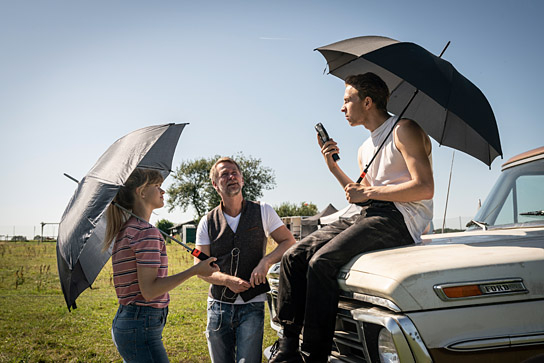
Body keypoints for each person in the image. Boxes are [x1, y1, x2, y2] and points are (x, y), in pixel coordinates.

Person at [269, 72, 434, 362]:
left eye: (347, 100)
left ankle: (314, 355)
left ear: (367, 101)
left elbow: (425, 187)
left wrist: (368, 191)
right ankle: (288, 347)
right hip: (368, 214)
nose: (342, 107)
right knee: (293, 256)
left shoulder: (404, 129)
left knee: (322, 262)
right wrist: (331, 165)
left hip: (399, 219)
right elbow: (357, 193)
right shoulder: (364, 148)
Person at [103, 168, 219, 363]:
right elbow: (149, 291)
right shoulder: (145, 232)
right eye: (157, 186)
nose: (163, 191)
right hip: (141, 325)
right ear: (141, 192)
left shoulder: (127, 230)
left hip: (130, 322)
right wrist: (195, 270)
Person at [194, 157, 296, 363]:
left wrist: (265, 262)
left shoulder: (263, 210)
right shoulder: (206, 221)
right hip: (218, 306)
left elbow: (289, 242)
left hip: (253, 304)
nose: (231, 176)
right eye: (224, 174)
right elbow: (200, 266)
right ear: (215, 185)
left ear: (242, 179)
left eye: (235, 172)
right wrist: (225, 280)